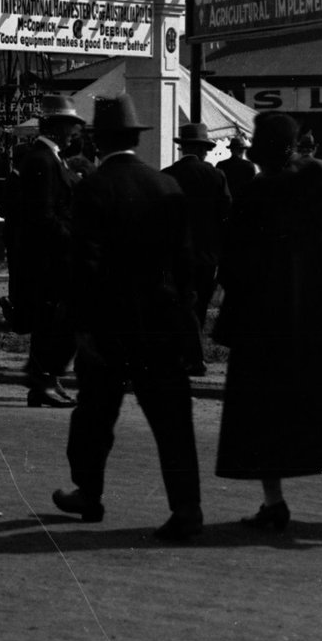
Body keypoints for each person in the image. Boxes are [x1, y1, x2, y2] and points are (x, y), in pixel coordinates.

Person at [212, 113, 322, 532]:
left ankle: (274, 502)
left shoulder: (253, 195)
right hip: (317, 321)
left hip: (265, 324)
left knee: (260, 411)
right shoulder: (317, 188)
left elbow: (233, 263)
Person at [51, 95, 205, 541]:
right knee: (173, 422)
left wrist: (81, 325)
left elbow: (85, 265)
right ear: (136, 140)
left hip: (109, 326)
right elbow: (187, 265)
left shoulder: (93, 189)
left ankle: (89, 491)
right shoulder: (166, 187)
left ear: (98, 142)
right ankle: (187, 507)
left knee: (95, 416)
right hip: (161, 324)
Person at [3, 95, 85, 406]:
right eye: (68, 127)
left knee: (50, 323)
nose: (72, 133)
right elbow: (44, 214)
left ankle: (48, 382)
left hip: (50, 256)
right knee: (49, 323)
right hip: (48, 258)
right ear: (53, 127)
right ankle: (43, 386)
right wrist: (72, 239)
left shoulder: (50, 158)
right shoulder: (42, 160)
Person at [162, 120, 230, 329]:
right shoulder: (216, 176)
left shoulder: (167, 175)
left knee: (177, 306)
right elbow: (226, 215)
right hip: (207, 254)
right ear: (203, 149)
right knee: (200, 305)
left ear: (183, 147)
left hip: (175, 254)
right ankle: (196, 351)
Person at [215, 134, 258, 198]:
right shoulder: (249, 165)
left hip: (226, 201)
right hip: (243, 201)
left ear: (231, 150)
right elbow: (253, 188)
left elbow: (217, 186)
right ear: (242, 151)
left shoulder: (221, 165)